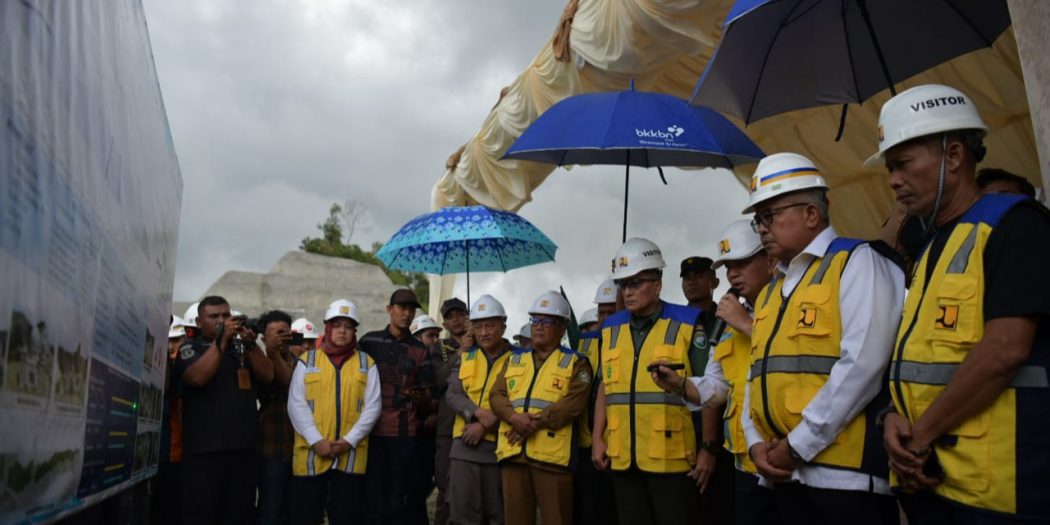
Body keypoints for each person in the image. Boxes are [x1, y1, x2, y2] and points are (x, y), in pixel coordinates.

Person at [867, 84, 1050, 525]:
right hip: (935, 485)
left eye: (903, 165)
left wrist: (921, 436)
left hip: (998, 492)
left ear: (953, 156)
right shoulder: (932, 248)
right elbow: (921, 356)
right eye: (889, 168)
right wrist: (891, 418)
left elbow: (1005, 350)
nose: (893, 181)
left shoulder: (1015, 224)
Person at [740, 152, 904, 525]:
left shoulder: (857, 263)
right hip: (783, 475)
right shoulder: (770, 291)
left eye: (769, 216)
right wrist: (756, 444)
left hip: (844, 481)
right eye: (757, 220)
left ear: (811, 215)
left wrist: (798, 446)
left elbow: (863, 365)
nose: (762, 229)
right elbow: (755, 373)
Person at [652, 220, 780, 525]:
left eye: (742, 262)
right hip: (745, 462)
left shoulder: (787, 304)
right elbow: (716, 387)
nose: (733, 273)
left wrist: (748, 327)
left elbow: (791, 361)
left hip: (787, 458)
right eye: (728, 267)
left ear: (771, 259)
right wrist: (680, 384)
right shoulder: (726, 321)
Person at [591, 238, 703, 525]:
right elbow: (606, 386)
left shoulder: (689, 323)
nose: (627, 291)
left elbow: (710, 392)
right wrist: (596, 439)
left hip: (672, 457)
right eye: (623, 284)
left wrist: (710, 449)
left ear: (658, 283)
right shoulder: (611, 328)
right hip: (623, 456)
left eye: (636, 283)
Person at [490, 291, 593, 525]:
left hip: (553, 460)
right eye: (535, 320)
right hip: (513, 455)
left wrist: (532, 423)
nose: (538, 327)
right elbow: (496, 395)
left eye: (547, 321)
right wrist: (515, 418)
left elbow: (573, 405)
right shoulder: (514, 359)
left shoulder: (576, 362)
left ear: (563, 327)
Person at [173, 296, 274, 525]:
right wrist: (221, 341)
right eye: (214, 316)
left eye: (226, 315)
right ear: (199, 322)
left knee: (239, 515)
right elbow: (197, 378)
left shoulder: (241, 349)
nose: (222, 320)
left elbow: (268, 375)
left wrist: (250, 344)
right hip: (204, 456)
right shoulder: (191, 347)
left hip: (243, 453)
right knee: (201, 516)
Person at [287, 300, 381, 525]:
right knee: (306, 517)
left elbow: (373, 407)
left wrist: (349, 441)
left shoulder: (366, 363)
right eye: (337, 325)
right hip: (311, 457)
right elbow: (295, 404)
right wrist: (316, 440)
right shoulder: (307, 361)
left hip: (350, 459)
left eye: (348, 326)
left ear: (354, 332)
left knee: (347, 517)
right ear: (327, 328)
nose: (342, 331)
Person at [359, 289, 434, 525]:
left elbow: (428, 393)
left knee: (399, 498)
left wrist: (420, 396)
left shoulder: (420, 350)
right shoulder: (369, 342)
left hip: (404, 433)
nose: (407, 313)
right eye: (402, 308)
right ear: (389, 309)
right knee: (371, 497)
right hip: (370, 431)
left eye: (411, 309)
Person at [445, 295, 514, 524]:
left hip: (502, 448)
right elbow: (453, 394)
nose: (484, 332)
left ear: (503, 326)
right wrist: (477, 413)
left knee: (499, 515)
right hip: (464, 445)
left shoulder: (519, 359)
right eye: (478, 326)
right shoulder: (466, 356)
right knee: (463, 515)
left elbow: (520, 399)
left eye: (490, 325)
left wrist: (487, 424)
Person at [679, 255, 734, 522]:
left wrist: (709, 446)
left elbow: (714, 383)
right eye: (687, 277)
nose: (692, 282)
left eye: (699, 275)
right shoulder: (675, 322)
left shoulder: (725, 319)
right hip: (680, 431)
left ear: (714, 280)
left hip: (717, 430)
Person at [573, 280, 619, 525]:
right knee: (588, 508)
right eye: (602, 312)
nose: (605, 318)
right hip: (586, 440)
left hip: (620, 442)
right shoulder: (585, 343)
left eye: (612, 312)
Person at [429, 297, 471, 525]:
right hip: (447, 426)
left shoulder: (481, 342)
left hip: (477, 424)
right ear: (444, 324)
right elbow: (437, 380)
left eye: (459, 314)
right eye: (450, 317)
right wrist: (460, 353)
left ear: (468, 316)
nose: (456, 320)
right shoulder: (440, 348)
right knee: (445, 486)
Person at [255, 310, 297, 525]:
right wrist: (272, 353)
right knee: (270, 511)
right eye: (275, 333)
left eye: (285, 332)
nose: (281, 337)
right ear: (263, 338)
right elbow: (283, 380)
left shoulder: (303, 363)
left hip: (301, 451)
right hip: (271, 448)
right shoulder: (259, 362)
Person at [152, 316, 186, 525]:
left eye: (176, 340)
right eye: (168, 340)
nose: (171, 345)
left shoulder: (188, 368)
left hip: (180, 453)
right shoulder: (158, 367)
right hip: (160, 454)